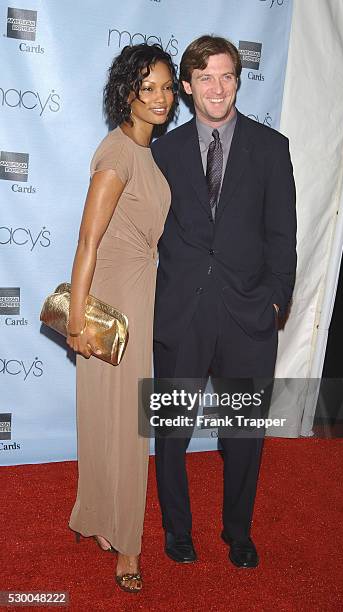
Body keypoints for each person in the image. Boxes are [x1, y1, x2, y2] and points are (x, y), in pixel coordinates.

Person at [151, 35, 296, 568]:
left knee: (243, 438)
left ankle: (238, 531)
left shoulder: (271, 147)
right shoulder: (161, 152)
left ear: (238, 80)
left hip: (248, 317)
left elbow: (284, 235)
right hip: (182, 317)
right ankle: (177, 531)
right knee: (171, 435)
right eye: (205, 77)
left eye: (227, 75)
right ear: (187, 87)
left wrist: (276, 300)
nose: (218, 87)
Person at [66, 44, 176, 593]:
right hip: (112, 301)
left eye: (166, 86)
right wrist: (76, 321)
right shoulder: (117, 154)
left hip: (139, 292)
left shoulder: (147, 152)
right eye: (148, 87)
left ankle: (102, 520)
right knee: (127, 426)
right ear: (127, 93)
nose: (160, 97)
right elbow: (87, 241)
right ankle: (127, 548)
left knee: (113, 417)